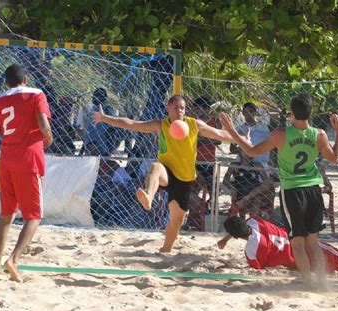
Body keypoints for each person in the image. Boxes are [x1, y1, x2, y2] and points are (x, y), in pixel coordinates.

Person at [221, 93, 338, 290]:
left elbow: (252, 151)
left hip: (293, 191)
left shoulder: (282, 133)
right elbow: (335, 158)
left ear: (291, 114)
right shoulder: (319, 134)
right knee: (313, 242)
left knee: (297, 242)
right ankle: (322, 282)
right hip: (313, 190)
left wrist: (232, 131)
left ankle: (310, 284)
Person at [93, 95, 235, 252]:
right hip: (167, 172)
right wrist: (105, 118)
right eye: (176, 107)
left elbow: (220, 134)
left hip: (184, 180)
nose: (179, 110)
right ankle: (148, 197)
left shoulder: (194, 124)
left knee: (176, 222)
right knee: (155, 167)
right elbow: (132, 124)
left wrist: (242, 138)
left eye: (182, 108)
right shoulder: (161, 125)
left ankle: (165, 250)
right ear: (168, 109)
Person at [0, 64, 52, 282]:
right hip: (28, 160)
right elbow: (42, 121)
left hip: (6, 161)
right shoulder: (36, 94)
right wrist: (47, 135)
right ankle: (13, 259)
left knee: (6, 216)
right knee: (34, 217)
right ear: (26, 79)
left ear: (6, 82)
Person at [218, 216, 338, 280]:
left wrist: (226, 241)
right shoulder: (255, 221)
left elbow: (258, 267)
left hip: (299, 264)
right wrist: (226, 239)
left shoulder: (251, 250)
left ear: (236, 236)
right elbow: (243, 224)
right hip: (305, 246)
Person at [230, 102, 270, 167]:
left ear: (255, 113)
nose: (248, 113)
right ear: (243, 113)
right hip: (243, 163)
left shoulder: (264, 128)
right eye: (246, 111)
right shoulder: (239, 129)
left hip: (261, 162)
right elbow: (232, 149)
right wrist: (244, 151)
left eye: (251, 111)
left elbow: (270, 145)